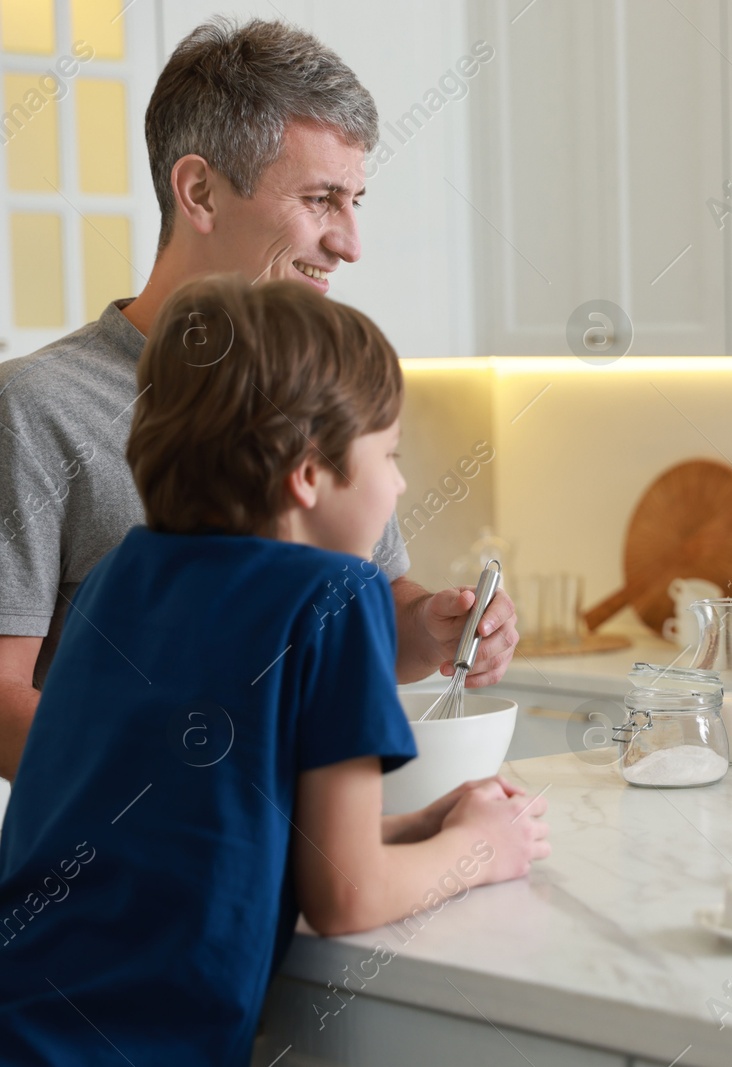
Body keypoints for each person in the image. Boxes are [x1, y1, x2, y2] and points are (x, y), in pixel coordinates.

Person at [0, 277, 549, 1065]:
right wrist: (478, 851)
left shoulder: (126, 572)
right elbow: (345, 897)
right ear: (307, 472)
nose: (397, 485)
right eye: (388, 455)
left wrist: (417, 826)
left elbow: (197, 829)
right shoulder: (338, 594)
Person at [0, 18, 517, 783]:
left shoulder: (317, 388)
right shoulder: (38, 406)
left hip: (278, 866)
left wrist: (435, 625)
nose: (349, 243)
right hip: (132, 877)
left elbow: (369, 625)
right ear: (200, 191)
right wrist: (198, 774)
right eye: (321, 199)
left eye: (356, 203)